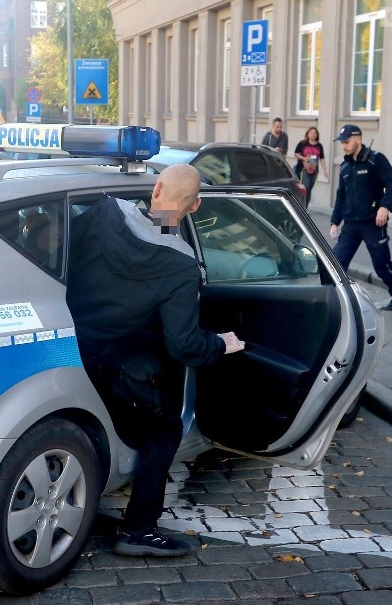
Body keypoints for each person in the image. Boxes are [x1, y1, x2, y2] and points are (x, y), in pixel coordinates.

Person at [66, 163, 245, 557]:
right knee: (162, 433)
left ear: (157, 186)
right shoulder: (180, 264)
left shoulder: (104, 212)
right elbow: (183, 346)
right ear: (195, 206)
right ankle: (138, 530)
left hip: (68, 345)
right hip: (118, 365)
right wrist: (221, 345)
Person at [330, 124, 392, 311]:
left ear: (358, 139)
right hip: (350, 226)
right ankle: (334, 300)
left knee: (382, 265)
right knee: (335, 263)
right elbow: (341, 196)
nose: (344, 146)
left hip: (373, 223)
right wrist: (334, 222)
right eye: (342, 142)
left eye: (347, 142)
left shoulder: (376, 160)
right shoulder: (345, 166)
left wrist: (384, 207)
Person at [294, 126, 329, 206]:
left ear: (317, 135)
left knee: (309, 190)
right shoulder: (303, 143)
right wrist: (303, 158)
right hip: (303, 170)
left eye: (315, 133)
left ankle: (305, 208)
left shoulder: (319, 145)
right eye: (311, 133)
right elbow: (295, 154)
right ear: (308, 134)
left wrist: (325, 171)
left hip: (314, 171)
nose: (313, 134)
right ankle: (301, 207)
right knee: (305, 188)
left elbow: (322, 158)